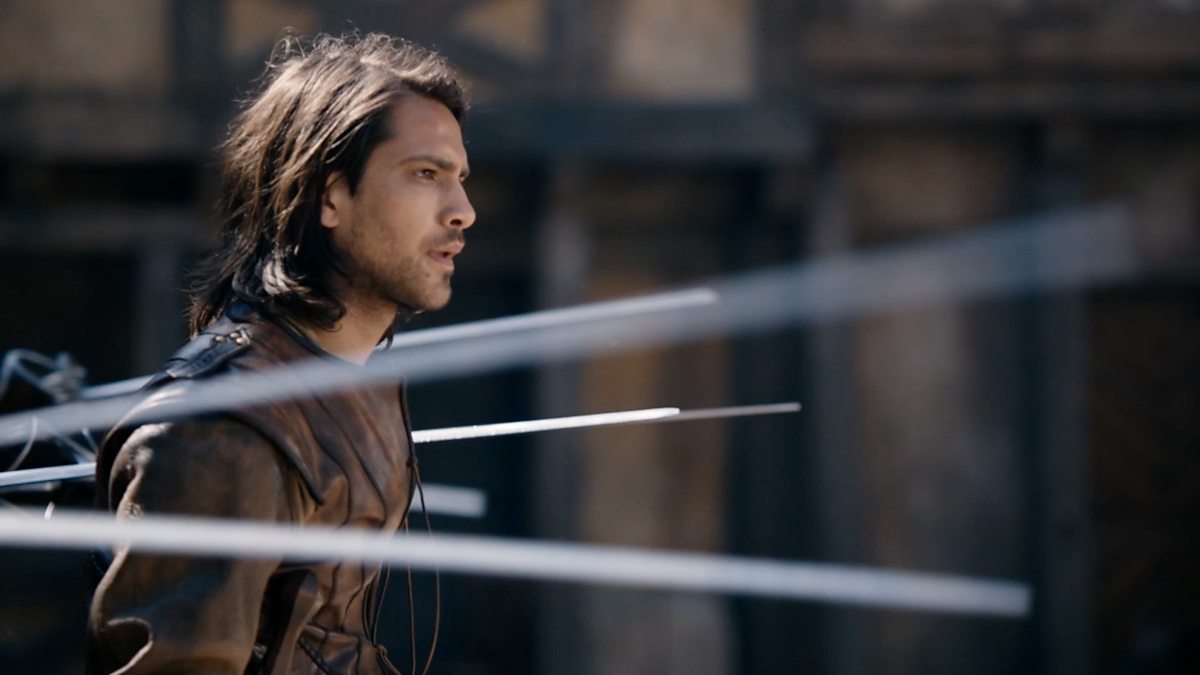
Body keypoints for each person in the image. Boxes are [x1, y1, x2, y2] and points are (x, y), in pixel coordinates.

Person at [87, 32, 475, 675]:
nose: (462, 211)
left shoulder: (352, 385)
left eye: (459, 179)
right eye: (425, 174)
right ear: (330, 196)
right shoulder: (219, 429)